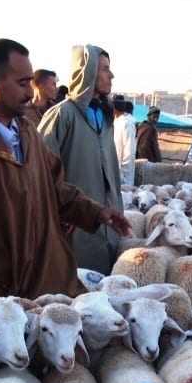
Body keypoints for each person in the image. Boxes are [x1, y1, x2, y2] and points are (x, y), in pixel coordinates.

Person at [0, 38, 130, 304]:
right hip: (0, 308)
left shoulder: (28, 134)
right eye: (22, 84)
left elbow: (55, 188)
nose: (31, 93)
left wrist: (96, 212)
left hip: (51, 291)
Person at [38, 44, 125, 276]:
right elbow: (41, 173)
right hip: (75, 228)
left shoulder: (106, 118)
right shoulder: (61, 115)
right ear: (88, 72)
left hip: (109, 224)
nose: (111, 75)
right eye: (105, 69)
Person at [112, 94, 136, 187]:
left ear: (113, 109)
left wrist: (123, 175)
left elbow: (130, 152)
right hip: (115, 174)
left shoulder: (127, 123)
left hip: (124, 179)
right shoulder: (115, 123)